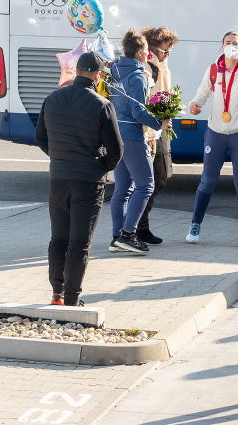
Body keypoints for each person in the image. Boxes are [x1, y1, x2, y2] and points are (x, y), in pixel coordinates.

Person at [35, 51, 124, 307]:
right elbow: (116, 151)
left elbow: (40, 138)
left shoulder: (52, 98)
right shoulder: (101, 105)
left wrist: (62, 157)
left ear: (76, 71)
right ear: (97, 75)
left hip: (59, 179)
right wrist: (98, 168)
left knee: (58, 238)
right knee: (79, 243)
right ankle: (73, 299)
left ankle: (56, 294)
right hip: (88, 182)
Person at [186, 31, 238, 247]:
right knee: (208, 181)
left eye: (235, 43)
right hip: (216, 132)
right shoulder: (213, 70)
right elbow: (202, 93)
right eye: (227, 43)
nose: (231, 46)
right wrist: (195, 104)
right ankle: (195, 225)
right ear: (222, 46)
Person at [108, 30, 172, 254]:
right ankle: (128, 235)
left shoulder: (114, 72)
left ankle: (117, 236)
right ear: (139, 52)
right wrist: (159, 124)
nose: (149, 53)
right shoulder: (137, 76)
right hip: (132, 135)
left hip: (117, 134)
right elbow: (138, 111)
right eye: (146, 50)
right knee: (146, 185)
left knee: (123, 189)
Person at [135, 25, 180, 246]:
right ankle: (136, 228)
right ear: (152, 48)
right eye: (165, 51)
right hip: (148, 132)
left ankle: (138, 226)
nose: (167, 55)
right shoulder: (148, 69)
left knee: (157, 178)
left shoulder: (160, 67)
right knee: (150, 180)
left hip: (158, 129)